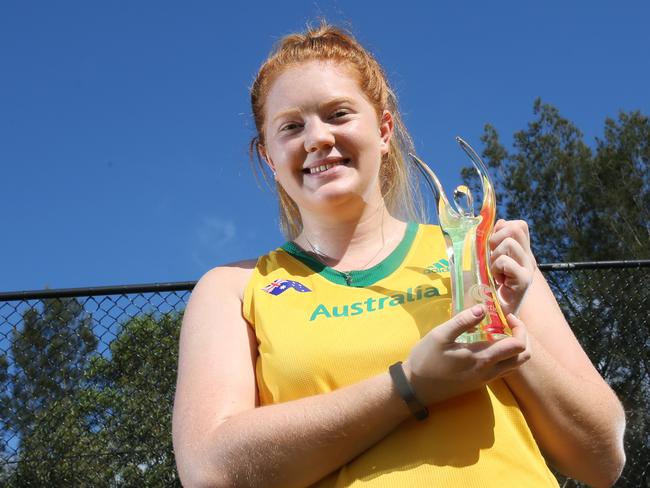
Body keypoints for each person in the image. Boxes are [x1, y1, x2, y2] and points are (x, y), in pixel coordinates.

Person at [172, 23, 626, 488]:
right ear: (269, 156)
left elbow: (602, 458)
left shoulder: (476, 252)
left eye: (338, 114)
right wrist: (410, 385)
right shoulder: (233, 288)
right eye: (291, 126)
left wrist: (502, 330)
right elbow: (210, 471)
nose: (316, 138)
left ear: (384, 129)